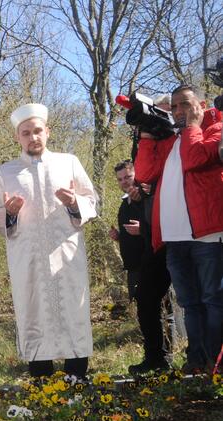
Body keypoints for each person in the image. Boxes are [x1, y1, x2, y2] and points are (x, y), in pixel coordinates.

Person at [0, 104, 97, 379]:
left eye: (37, 131)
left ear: (48, 132)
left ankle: (77, 376)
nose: (33, 137)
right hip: (28, 257)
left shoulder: (69, 162)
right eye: (26, 133)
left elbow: (92, 200)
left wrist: (73, 203)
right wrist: (8, 213)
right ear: (17, 138)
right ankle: (40, 377)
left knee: (73, 309)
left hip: (66, 253)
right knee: (33, 310)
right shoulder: (5, 172)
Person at [134, 84, 223, 374]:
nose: (179, 111)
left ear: (201, 103)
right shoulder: (174, 138)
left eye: (185, 104)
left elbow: (196, 158)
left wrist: (193, 126)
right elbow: (145, 174)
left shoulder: (216, 127)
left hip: (206, 235)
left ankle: (216, 362)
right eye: (174, 107)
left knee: (213, 301)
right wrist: (147, 135)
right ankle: (197, 362)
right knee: (190, 304)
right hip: (173, 238)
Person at [108, 161, 172, 374]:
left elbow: (160, 225)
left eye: (127, 176)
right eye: (119, 179)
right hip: (135, 265)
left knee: (161, 309)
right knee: (145, 311)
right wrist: (120, 238)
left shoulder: (146, 196)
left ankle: (163, 357)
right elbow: (133, 234)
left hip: (153, 261)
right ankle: (154, 356)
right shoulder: (125, 203)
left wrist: (142, 229)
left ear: (136, 173)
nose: (124, 182)